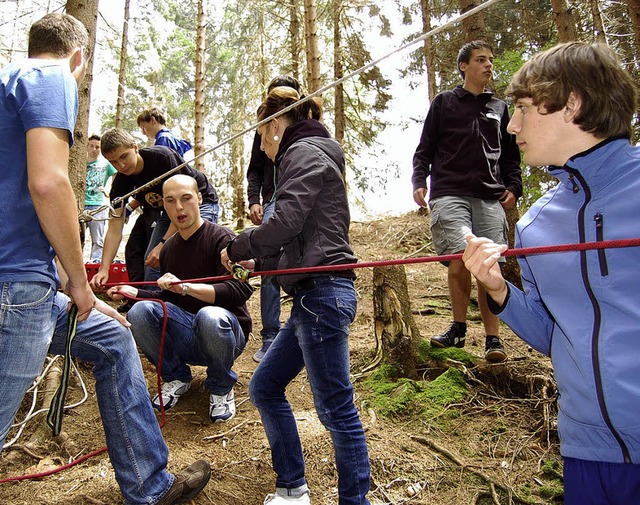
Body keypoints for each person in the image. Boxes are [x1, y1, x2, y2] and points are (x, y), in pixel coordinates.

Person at [0, 13, 210, 504]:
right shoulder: (49, 77)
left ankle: (149, 486)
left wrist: (67, 279)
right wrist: (80, 278)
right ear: (79, 57)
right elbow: (49, 183)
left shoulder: (6, 87)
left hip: (27, 282)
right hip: (17, 290)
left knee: (114, 340)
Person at [462, 42, 640, 504]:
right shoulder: (535, 224)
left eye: (522, 108)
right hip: (585, 453)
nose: (512, 124)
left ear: (573, 104)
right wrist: (499, 288)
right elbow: (551, 333)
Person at [221, 87, 371, 505]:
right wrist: (260, 266)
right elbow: (301, 240)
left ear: (273, 125)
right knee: (265, 386)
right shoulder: (309, 152)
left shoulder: (301, 152)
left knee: (336, 410)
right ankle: (292, 488)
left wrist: (238, 246)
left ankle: (355, 500)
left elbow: (285, 221)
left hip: (322, 295)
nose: (264, 149)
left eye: (262, 137)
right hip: (312, 294)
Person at [108, 174, 253, 423]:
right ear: (163, 205)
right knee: (139, 312)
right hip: (188, 334)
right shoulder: (170, 249)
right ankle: (176, 376)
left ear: (199, 198)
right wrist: (136, 293)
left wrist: (188, 288)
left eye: (186, 199)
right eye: (171, 201)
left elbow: (240, 290)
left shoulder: (223, 239)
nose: (179, 208)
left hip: (226, 334)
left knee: (210, 315)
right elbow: (167, 297)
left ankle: (220, 386)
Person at [411, 40, 522, 362]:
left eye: (490, 60)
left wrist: (513, 186)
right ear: (463, 66)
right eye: (480, 60)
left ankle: (493, 340)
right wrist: (419, 181)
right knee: (460, 256)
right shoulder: (445, 102)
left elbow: (510, 156)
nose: (488, 65)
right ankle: (457, 328)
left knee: (489, 264)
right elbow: (425, 147)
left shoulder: (500, 108)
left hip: (489, 197)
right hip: (448, 192)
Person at [90, 128, 219, 290]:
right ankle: (155, 307)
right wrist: (104, 269)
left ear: (135, 148)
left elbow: (181, 206)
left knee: (192, 250)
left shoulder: (162, 157)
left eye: (124, 157)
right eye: (114, 162)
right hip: (168, 212)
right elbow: (115, 228)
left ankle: (202, 299)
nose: (121, 165)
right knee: (152, 261)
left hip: (199, 203)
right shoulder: (120, 184)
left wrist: (164, 243)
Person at [246, 75, 301, 362]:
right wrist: (254, 200)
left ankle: (301, 328)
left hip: (300, 196)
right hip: (272, 198)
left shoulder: (307, 133)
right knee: (268, 258)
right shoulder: (262, 131)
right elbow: (254, 169)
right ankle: (270, 334)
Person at [83, 134, 116, 262]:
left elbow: (117, 176)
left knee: (98, 238)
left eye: (97, 147)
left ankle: (95, 262)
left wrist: (109, 190)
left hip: (97, 205)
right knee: (77, 237)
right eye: (91, 146)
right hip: (80, 204)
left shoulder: (105, 165)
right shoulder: (80, 164)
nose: (94, 149)